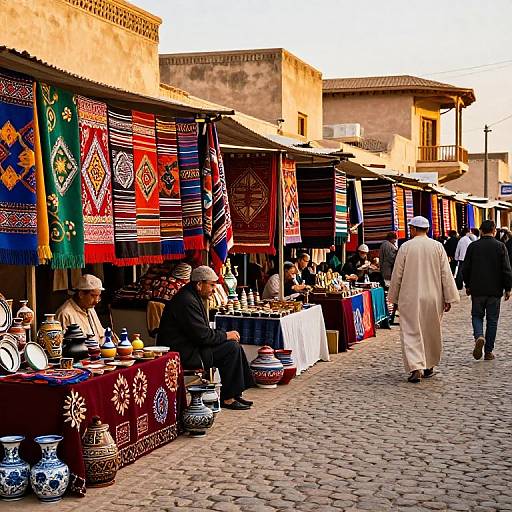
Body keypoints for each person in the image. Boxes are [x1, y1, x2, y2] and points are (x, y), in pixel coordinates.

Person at [158, 266, 254, 410]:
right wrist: (226, 335)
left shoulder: (192, 296)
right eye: (212, 285)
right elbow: (203, 336)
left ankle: (234, 394)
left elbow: (203, 332)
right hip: (183, 352)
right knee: (231, 348)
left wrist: (224, 336)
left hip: (193, 345)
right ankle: (228, 398)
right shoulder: (186, 301)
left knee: (234, 345)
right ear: (199, 284)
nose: (214, 289)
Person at [388, 216, 459, 383]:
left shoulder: (406, 247)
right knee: (430, 331)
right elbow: (446, 274)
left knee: (411, 331)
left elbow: (397, 274)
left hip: (410, 297)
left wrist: (394, 298)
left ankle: (415, 367)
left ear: (413, 229)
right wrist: (448, 297)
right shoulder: (437, 247)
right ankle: (429, 366)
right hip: (433, 297)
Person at [462, 220, 512, 361]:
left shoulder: (473, 246)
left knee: (477, 316)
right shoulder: (501, 246)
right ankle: (488, 352)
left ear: (481, 231)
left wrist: (468, 285)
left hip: (477, 289)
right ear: (494, 231)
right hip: (495, 290)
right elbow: (506, 270)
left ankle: (479, 336)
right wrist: (508, 288)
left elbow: (466, 268)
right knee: (492, 321)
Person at [56, 274, 105, 344]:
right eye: (93, 296)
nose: (96, 301)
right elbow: (62, 344)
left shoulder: (90, 308)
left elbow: (100, 335)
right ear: (81, 294)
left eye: (98, 296)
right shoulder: (65, 313)